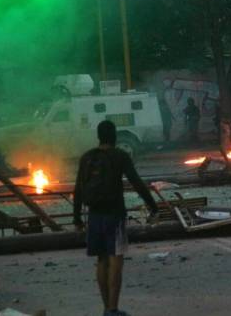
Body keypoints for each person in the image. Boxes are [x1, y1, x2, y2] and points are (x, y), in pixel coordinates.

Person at [73, 121, 158, 316]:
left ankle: (106, 308)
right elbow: (136, 183)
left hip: (94, 215)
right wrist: (153, 207)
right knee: (115, 260)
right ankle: (113, 309)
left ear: (98, 136)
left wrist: (77, 219)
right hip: (115, 214)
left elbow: (78, 189)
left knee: (101, 260)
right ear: (114, 137)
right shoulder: (120, 156)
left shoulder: (87, 157)